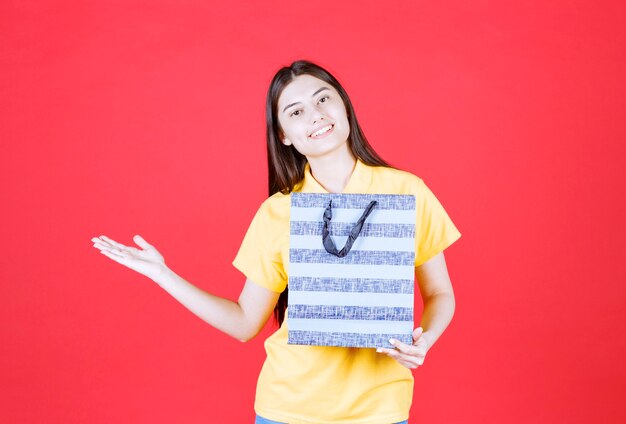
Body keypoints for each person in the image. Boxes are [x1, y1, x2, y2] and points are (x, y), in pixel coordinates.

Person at [91, 60, 461, 424]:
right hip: (287, 409)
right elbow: (244, 322)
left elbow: (440, 293)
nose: (315, 115)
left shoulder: (407, 192)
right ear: (283, 134)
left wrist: (424, 341)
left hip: (380, 409)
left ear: (344, 106)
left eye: (322, 99)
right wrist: (163, 274)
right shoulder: (278, 212)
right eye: (296, 111)